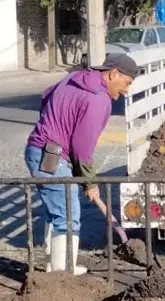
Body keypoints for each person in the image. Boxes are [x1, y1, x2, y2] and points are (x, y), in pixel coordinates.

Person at [25, 53, 136, 274]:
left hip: (40, 149)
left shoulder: (73, 78)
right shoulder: (98, 99)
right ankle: (62, 274)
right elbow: (82, 148)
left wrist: (52, 125)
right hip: (52, 154)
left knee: (57, 209)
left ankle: (54, 266)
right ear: (114, 74)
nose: (127, 90)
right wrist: (89, 183)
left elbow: (46, 96)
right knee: (67, 214)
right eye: (127, 82)